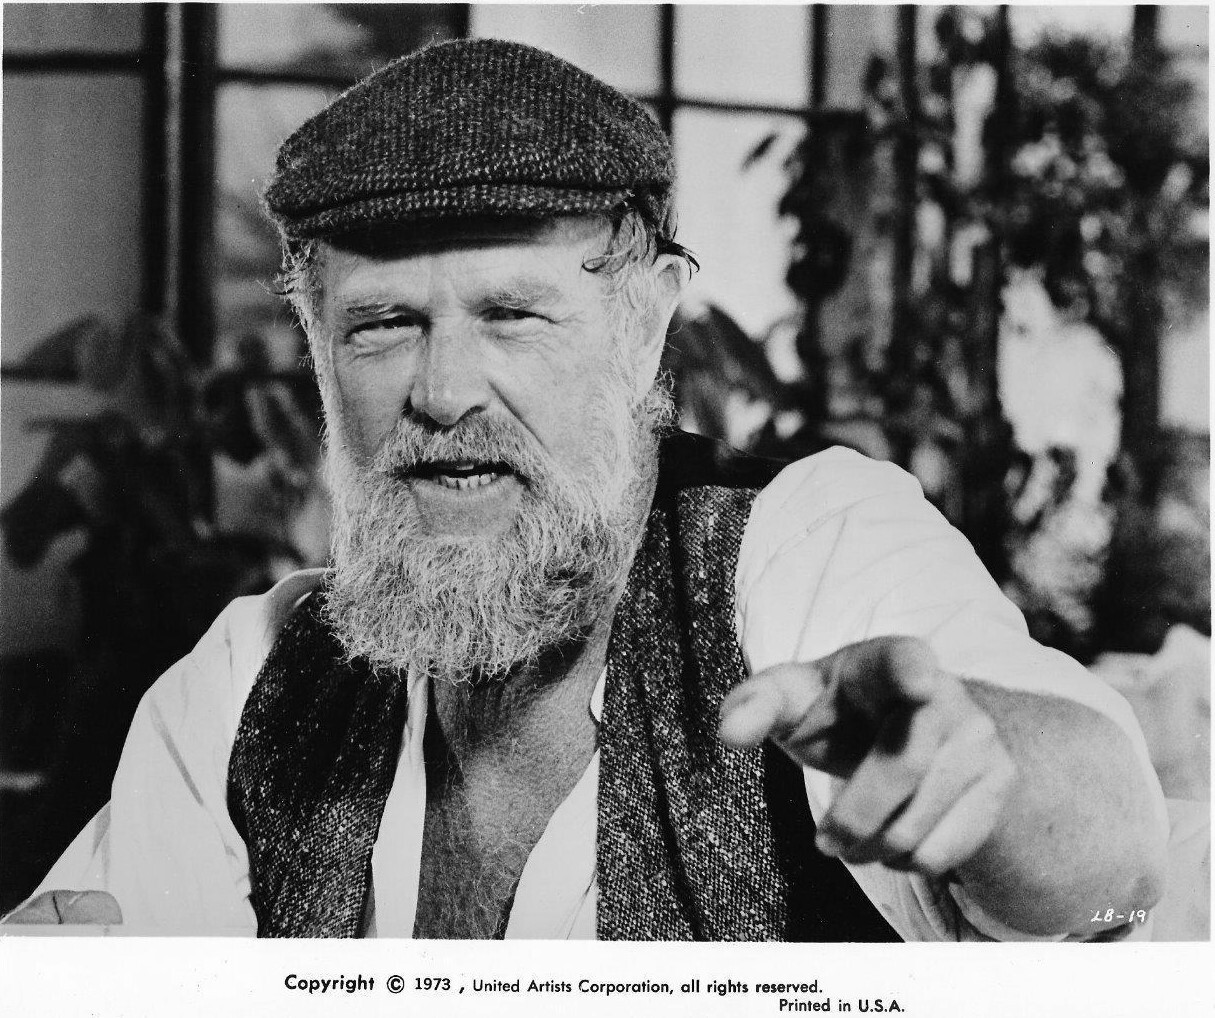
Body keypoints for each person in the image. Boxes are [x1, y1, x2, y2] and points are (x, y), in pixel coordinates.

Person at [4, 38, 1167, 940]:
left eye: (512, 314)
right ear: (315, 350)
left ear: (647, 322)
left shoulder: (804, 545)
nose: (442, 391)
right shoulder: (246, 683)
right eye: (381, 324)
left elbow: (1110, 852)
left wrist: (986, 770)